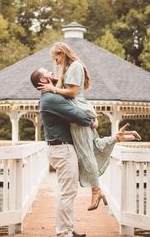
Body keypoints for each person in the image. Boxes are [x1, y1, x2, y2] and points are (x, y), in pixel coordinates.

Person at [30, 67, 141, 237]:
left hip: (62, 148)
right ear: (43, 81)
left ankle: (67, 228)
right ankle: (63, 233)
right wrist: (93, 119)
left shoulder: (52, 97)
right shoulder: (51, 99)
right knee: (68, 193)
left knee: (68, 192)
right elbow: (79, 115)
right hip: (62, 149)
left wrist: (112, 135)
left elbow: (77, 110)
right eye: (48, 73)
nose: (53, 73)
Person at [38, 42, 141, 212]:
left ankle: (96, 191)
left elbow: (72, 93)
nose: (55, 62)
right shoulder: (67, 69)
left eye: (56, 58)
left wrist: (52, 89)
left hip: (79, 111)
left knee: (86, 153)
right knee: (93, 146)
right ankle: (118, 137)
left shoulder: (75, 66)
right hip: (79, 112)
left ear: (62, 53)